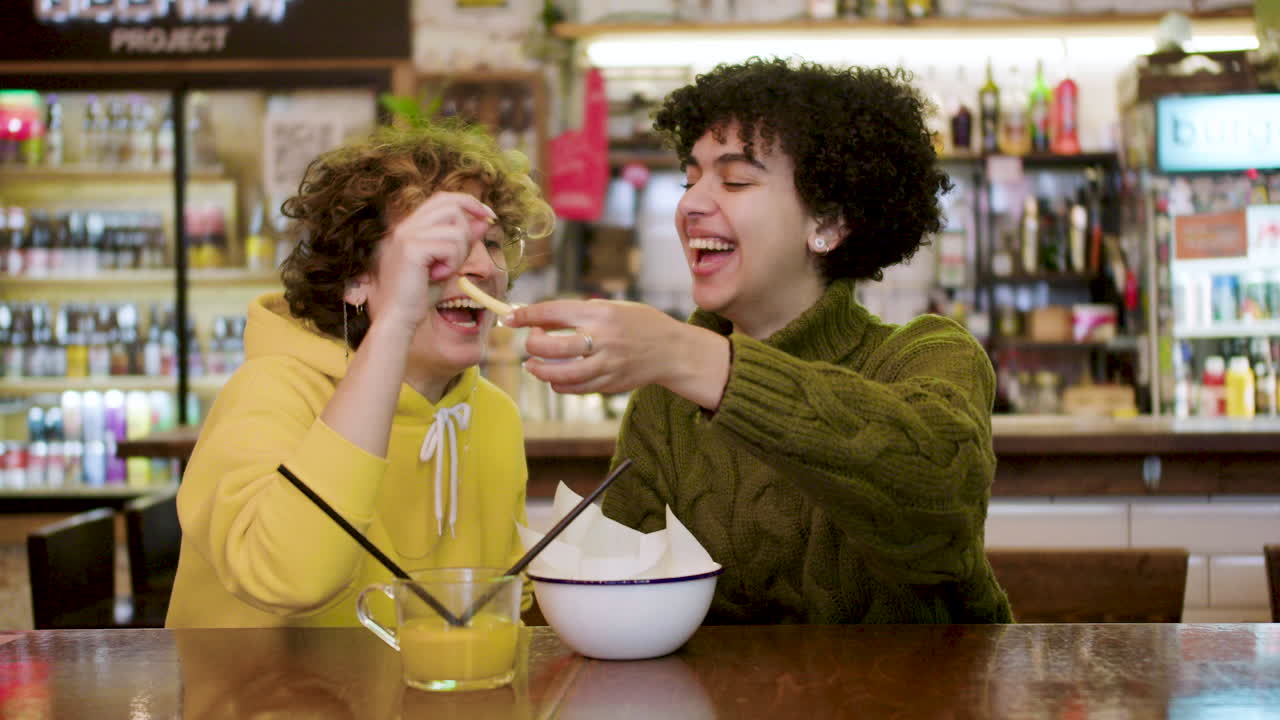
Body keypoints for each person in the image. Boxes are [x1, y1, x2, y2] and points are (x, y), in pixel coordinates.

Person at [507, 58, 1013, 624]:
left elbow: (940, 498)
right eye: (690, 177)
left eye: (737, 179)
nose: (690, 204)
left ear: (829, 222)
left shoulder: (927, 353)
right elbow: (623, 599)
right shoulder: (668, 404)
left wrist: (688, 355)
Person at [166, 122, 554, 628]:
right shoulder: (271, 391)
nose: (482, 266)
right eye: (444, 243)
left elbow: (504, 609)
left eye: (495, 243)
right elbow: (289, 579)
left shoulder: (492, 414)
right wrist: (397, 320)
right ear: (355, 277)